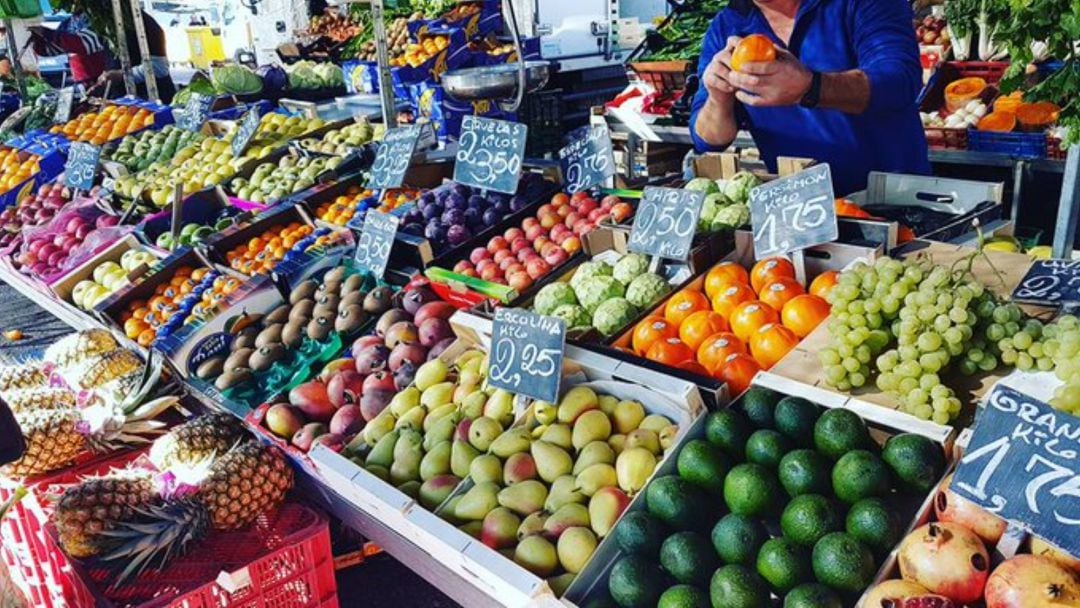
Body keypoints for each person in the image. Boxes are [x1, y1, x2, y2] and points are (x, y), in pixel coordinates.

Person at [690, 0, 931, 195]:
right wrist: (718, 99)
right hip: (804, 209)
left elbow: (900, 80)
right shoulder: (727, 25)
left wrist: (811, 87)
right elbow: (707, 141)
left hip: (895, 198)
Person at [97, 10, 176, 103]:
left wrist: (123, 75)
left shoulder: (145, 23)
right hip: (122, 102)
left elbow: (160, 68)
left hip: (152, 100)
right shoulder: (105, 24)